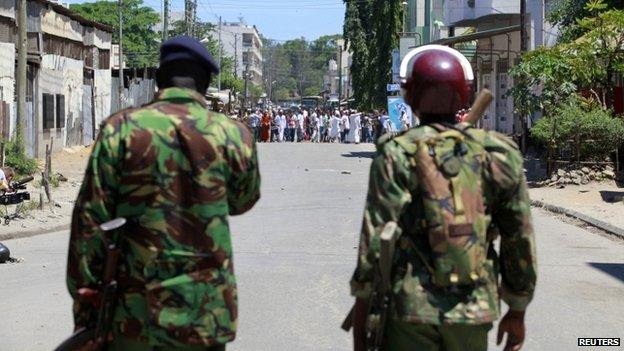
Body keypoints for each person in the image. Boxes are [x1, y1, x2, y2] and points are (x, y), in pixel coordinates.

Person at [66, 36, 261, 351]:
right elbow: (243, 201)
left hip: (134, 315)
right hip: (205, 315)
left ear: (159, 78)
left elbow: (90, 221)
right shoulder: (234, 134)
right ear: (206, 83)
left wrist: (85, 298)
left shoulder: (121, 130)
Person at [349, 45, 537, 351]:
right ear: (464, 94)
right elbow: (519, 237)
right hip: (473, 310)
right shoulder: (498, 153)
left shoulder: (396, 153)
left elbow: (374, 242)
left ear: (410, 97)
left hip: (410, 309)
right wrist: (517, 310)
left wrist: (360, 324)